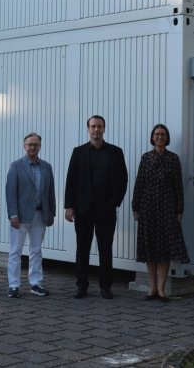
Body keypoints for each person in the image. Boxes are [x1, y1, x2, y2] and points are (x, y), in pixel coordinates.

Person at [65, 115, 128, 299]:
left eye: (99, 126)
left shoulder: (116, 152)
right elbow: (71, 181)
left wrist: (115, 201)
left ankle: (105, 287)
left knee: (105, 249)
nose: (96, 129)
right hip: (83, 209)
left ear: (104, 128)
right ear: (88, 128)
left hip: (106, 209)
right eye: (93, 126)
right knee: (82, 248)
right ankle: (81, 286)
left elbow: (123, 179)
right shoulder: (78, 152)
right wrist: (69, 206)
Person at [131, 124, 190, 302]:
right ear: (152, 137)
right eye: (157, 134)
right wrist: (135, 207)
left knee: (165, 248)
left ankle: (162, 289)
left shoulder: (173, 159)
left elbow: (178, 186)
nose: (160, 137)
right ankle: (152, 288)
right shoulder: (146, 158)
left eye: (163, 134)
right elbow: (139, 182)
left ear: (167, 137)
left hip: (167, 208)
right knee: (150, 248)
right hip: (147, 208)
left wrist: (180, 209)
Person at [5, 132, 56, 298]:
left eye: (35, 144)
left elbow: (50, 192)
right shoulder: (16, 166)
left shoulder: (47, 167)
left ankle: (36, 283)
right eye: (29, 144)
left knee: (36, 250)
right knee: (15, 250)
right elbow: (10, 192)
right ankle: (14, 285)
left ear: (40, 146)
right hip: (20, 216)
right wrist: (13, 214)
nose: (32, 147)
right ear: (24, 146)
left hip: (40, 215)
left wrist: (51, 213)